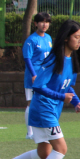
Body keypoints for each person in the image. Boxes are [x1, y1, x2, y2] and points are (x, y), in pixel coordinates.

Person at [0, 19, 80, 159]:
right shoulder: (53, 61)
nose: (79, 41)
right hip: (43, 109)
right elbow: (38, 86)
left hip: (52, 110)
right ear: (66, 38)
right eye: (76, 37)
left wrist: (75, 101)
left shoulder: (72, 62)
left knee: (44, 152)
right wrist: (61, 97)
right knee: (61, 148)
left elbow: (67, 86)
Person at [22, 12, 52, 140]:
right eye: (42, 22)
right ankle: (30, 133)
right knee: (31, 103)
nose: (44, 24)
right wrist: (33, 75)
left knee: (44, 101)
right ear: (36, 23)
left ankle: (43, 129)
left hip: (45, 74)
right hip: (33, 75)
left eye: (47, 22)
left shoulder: (48, 38)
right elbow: (27, 58)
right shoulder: (31, 40)